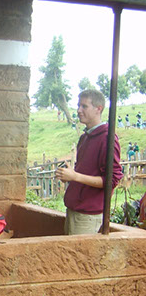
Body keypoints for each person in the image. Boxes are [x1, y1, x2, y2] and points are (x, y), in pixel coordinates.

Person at [55, 89, 122, 235]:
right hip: (75, 209)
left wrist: (75, 177)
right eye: (79, 106)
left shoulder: (107, 138)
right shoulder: (85, 137)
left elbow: (112, 180)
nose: (79, 110)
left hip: (88, 215)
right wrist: (71, 174)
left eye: (84, 106)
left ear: (99, 109)